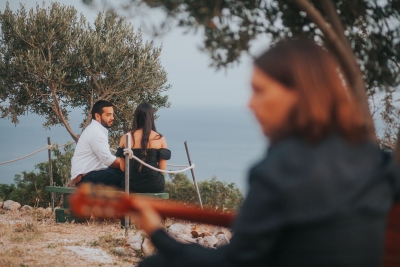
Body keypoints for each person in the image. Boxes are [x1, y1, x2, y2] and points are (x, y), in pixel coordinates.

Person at [130, 39, 400, 267]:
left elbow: (229, 263)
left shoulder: (279, 173)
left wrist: (157, 233)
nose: (250, 104)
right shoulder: (375, 160)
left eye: (259, 91)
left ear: (298, 94)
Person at [116, 102, 170, 193]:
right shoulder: (160, 138)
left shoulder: (125, 137)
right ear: (151, 118)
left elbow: (123, 168)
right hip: (154, 185)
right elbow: (162, 169)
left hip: (130, 185)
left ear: (136, 117)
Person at [70, 100, 123, 187]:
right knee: (126, 179)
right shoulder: (95, 132)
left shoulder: (97, 130)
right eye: (108, 115)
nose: (112, 118)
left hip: (92, 174)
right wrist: (128, 164)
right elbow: (109, 160)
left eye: (112, 115)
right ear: (98, 116)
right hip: (85, 177)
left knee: (123, 174)